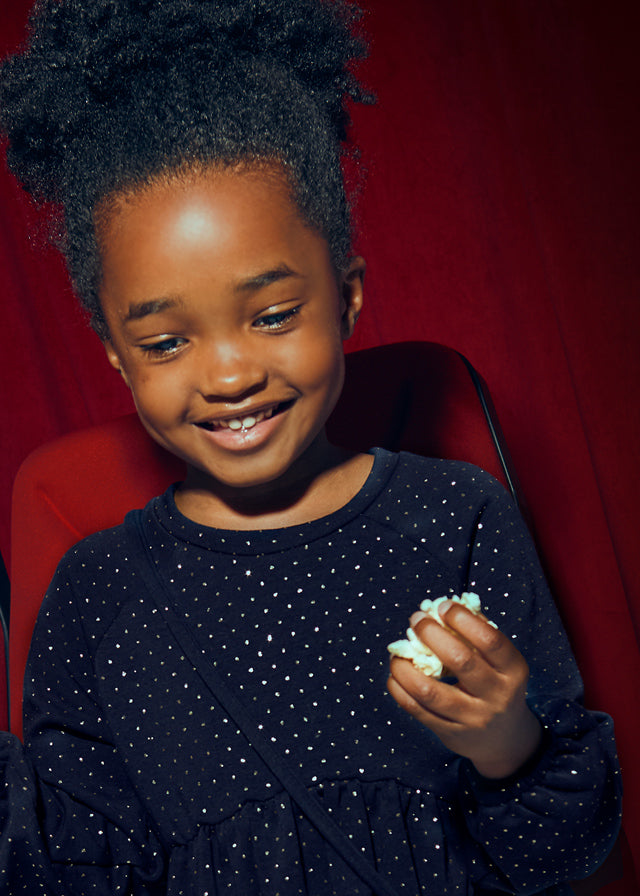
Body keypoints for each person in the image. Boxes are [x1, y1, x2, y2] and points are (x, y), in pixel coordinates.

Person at [0, 1, 621, 893]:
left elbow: (566, 849)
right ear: (116, 355)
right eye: (166, 342)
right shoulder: (95, 594)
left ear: (348, 296)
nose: (228, 374)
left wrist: (507, 743)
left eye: (273, 315)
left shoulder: (457, 519)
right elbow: (73, 870)